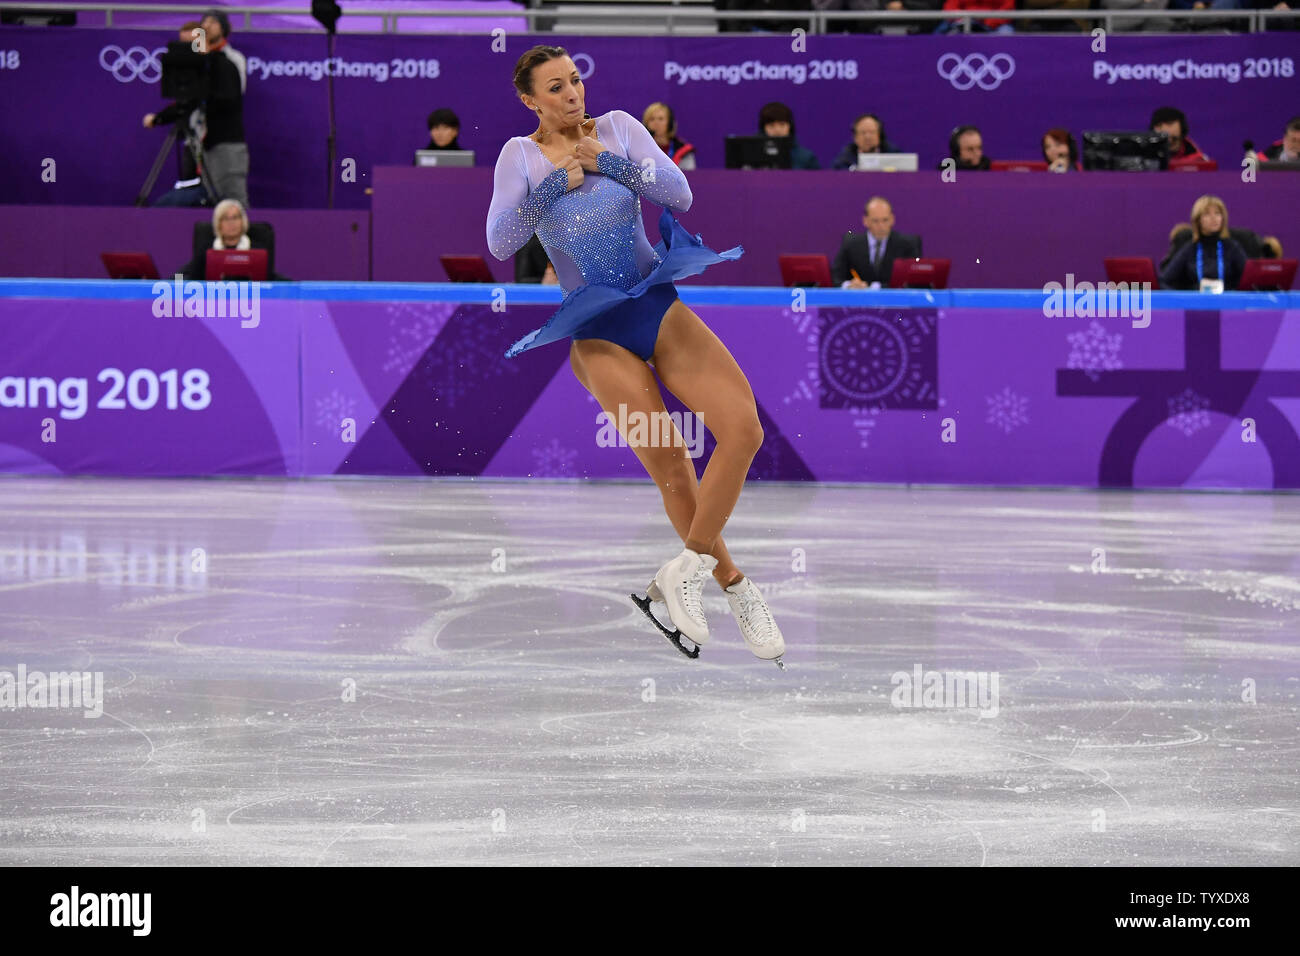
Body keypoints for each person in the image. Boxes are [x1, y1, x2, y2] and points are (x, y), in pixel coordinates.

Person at [485, 45, 785, 666]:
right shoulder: (519, 156)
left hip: (655, 305)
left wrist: (611, 166)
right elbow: (497, 240)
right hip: (597, 331)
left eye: (575, 81)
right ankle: (734, 584)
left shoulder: (620, 128)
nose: (572, 94)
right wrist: (548, 192)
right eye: (556, 87)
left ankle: (687, 570)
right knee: (672, 462)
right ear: (529, 100)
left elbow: (681, 195)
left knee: (743, 429)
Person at [144, 17, 248, 207]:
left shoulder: (226, 64)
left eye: (192, 44)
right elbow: (189, 101)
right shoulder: (202, 68)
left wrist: (204, 61)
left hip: (224, 143)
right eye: (184, 45)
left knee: (232, 200)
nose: (188, 51)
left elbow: (228, 98)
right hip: (202, 143)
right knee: (203, 196)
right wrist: (160, 118)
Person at [1158, 195, 1247, 290]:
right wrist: (1181, 299)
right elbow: (1164, 280)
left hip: (1228, 302)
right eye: (1207, 214)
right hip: (1196, 302)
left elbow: (1251, 280)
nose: (1214, 218)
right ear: (1198, 220)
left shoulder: (1232, 247)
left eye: (1217, 213)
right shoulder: (1190, 249)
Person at [831, 197, 923, 287]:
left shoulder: (908, 244)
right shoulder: (850, 244)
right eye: (875, 221)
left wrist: (871, 287)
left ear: (892, 219)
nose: (881, 226)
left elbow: (914, 282)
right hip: (858, 301)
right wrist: (849, 285)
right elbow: (835, 277)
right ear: (865, 221)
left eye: (885, 220)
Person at [177, 199, 280, 279]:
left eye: (235, 217)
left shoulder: (257, 250)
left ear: (243, 221)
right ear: (218, 223)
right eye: (226, 218)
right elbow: (187, 273)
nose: (231, 223)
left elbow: (270, 278)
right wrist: (174, 285)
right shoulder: (207, 249)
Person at [758, 102, 820, 169]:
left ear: (790, 126)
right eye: (771, 125)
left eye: (782, 124)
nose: (777, 130)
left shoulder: (806, 158)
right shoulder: (754, 155)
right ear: (763, 128)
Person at [830, 113, 903, 170]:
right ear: (855, 137)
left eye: (871, 132)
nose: (867, 137)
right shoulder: (845, 159)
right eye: (863, 132)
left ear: (879, 135)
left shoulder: (892, 154)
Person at [642, 102, 696, 170]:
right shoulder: (640, 149)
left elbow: (689, 176)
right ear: (646, 124)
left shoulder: (682, 150)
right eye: (652, 119)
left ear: (670, 123)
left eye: (661, 119)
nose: (656, 123)